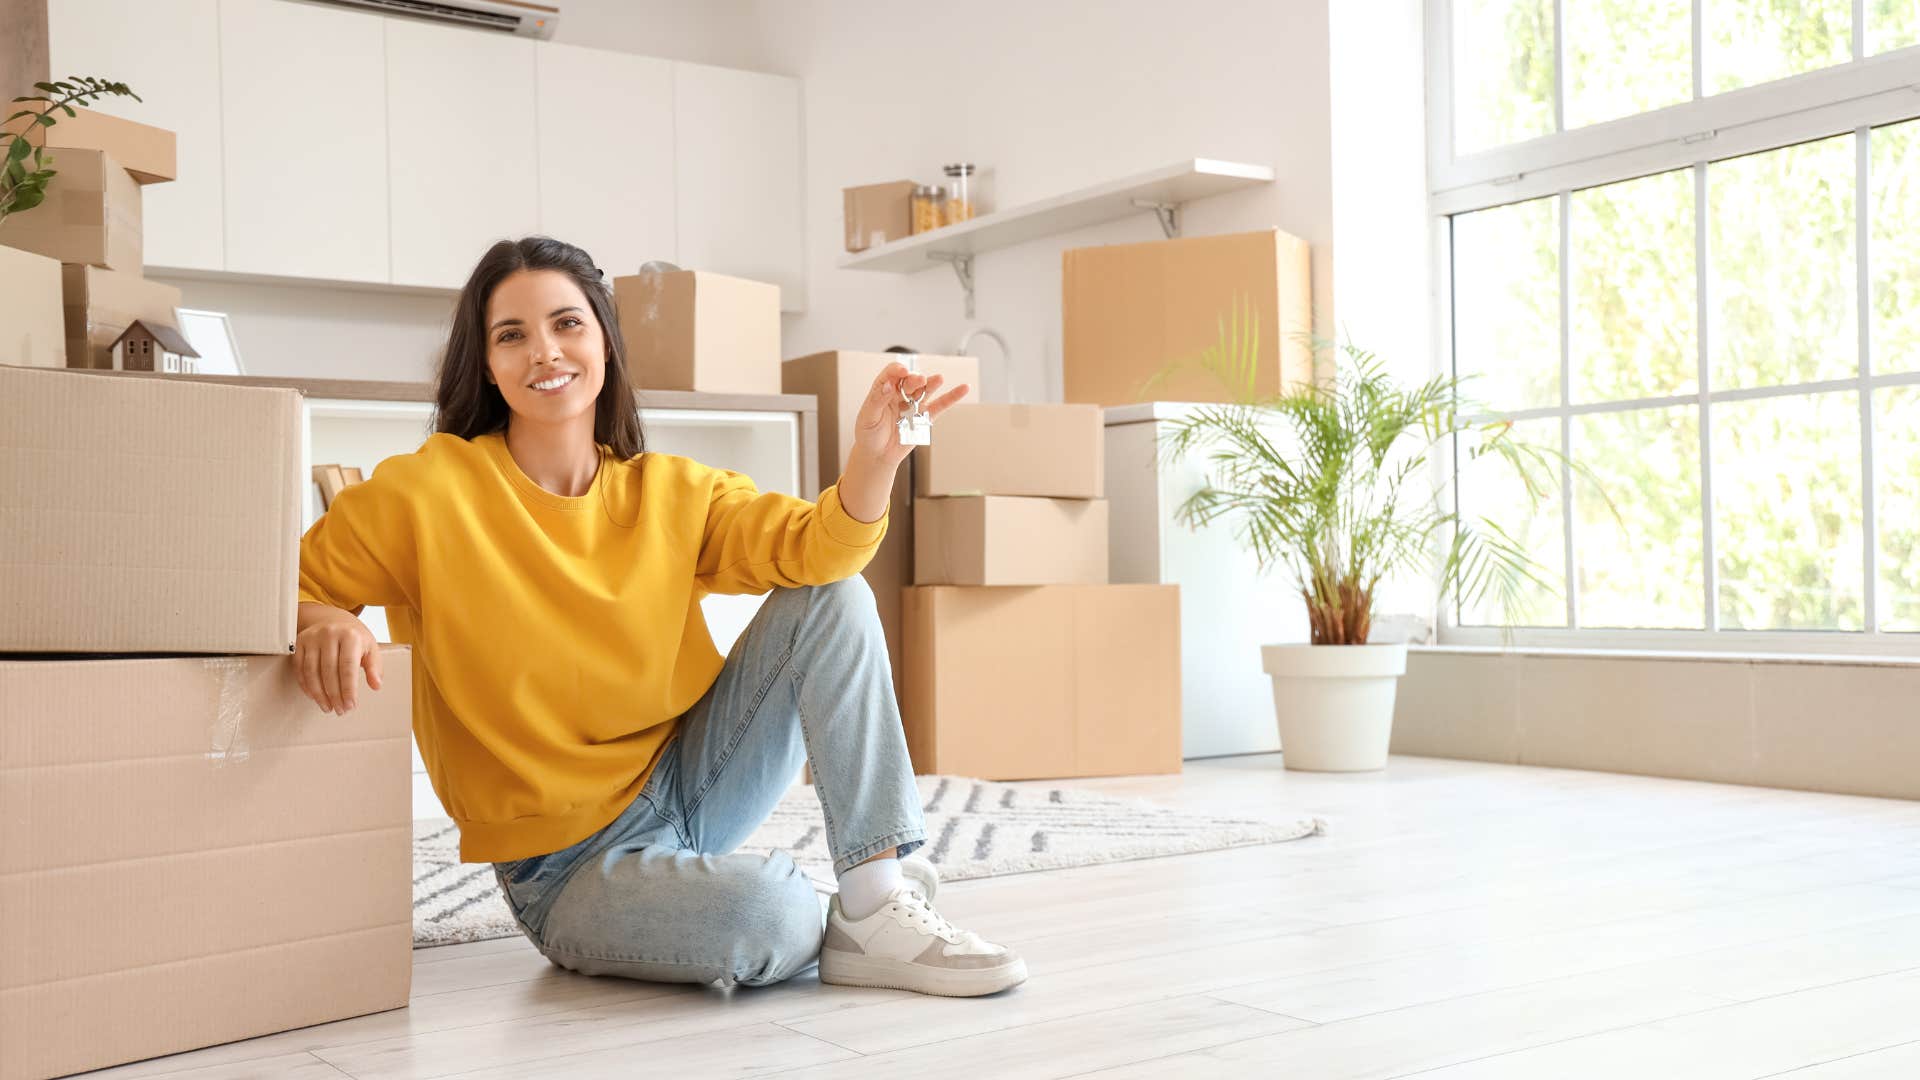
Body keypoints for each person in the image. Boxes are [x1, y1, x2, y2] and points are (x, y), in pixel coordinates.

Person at [293, 236, 1027, 997]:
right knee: (774, 916)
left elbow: (820, 553)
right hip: (566, 867)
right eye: (511, 334)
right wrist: (325, 619)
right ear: (485, 363)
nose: (544, 350)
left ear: (604, 340)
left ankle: (875, 905)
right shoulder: (425, 494)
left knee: (833, 596)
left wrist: (874, 461)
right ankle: (789, 913)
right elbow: (286, 589)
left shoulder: (670, 492)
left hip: (692, 781)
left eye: (566, 324)